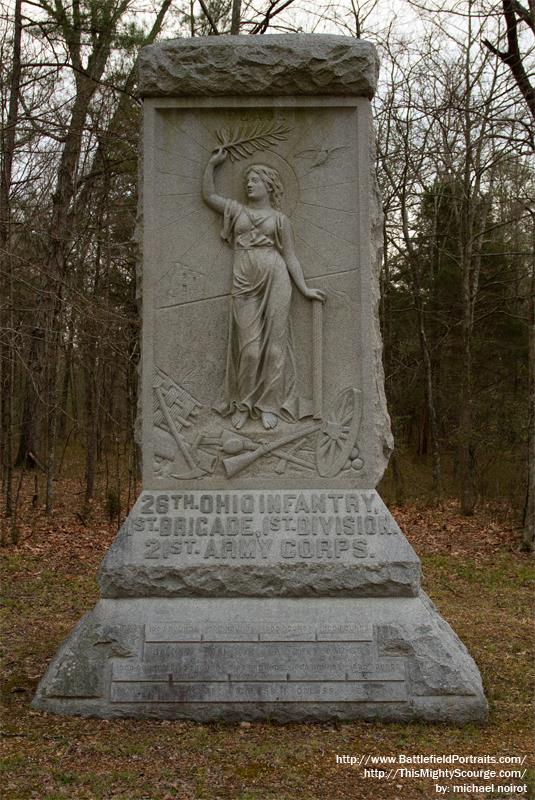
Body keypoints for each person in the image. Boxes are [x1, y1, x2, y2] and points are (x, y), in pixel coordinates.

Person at [202, 147, 324, 431]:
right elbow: (208, 196)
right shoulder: (236, 210)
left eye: (254, 180)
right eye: (247, 181)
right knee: (251, 351)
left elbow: (291, 256)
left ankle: (269, 405)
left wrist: (304, 289)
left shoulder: (281, 220)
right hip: (244, 283)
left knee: (274, 350)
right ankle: (244, 404)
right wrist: (212, 165)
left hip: (276, 278)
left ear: (269, 186)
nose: (248, 184)